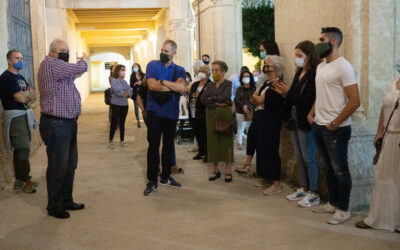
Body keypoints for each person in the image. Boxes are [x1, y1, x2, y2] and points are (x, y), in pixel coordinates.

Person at [308, 27, 360, 225]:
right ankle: (332, 202)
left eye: (321, 39)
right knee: (327, 168)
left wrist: (335, 123)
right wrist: (312, 114)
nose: (318, 43)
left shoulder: (344, 67)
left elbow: (355, 101)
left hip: (336, 128)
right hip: (320, 125)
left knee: (340, 170)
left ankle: (344, 209)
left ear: (333, 42)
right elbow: (321, 95)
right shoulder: (321, 67)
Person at [38, 39, 88, 219]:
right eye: (62, 50)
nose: (65, 53)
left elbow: (73, 74)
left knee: (70, 164)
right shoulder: (51, 64)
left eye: (67, 50)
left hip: (68, 123)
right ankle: (54, 206)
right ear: (52, 52)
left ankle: (66, 200)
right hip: (56, 124)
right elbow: (79, 69)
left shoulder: (60, 69)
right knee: (58, 166)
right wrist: (84, 59)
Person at [272, 41, 322, 207]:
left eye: (300, 56)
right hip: (294, 117)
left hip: (305, 118)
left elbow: (308, 100)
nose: (297, 59)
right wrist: (285, 93)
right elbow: (293, 95)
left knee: (309, 158)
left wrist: (288, 94)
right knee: (300, 158)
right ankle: (304, 187)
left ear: (309, 56)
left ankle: (314, 192)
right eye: (296, 56)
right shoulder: (299, 72)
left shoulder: (314, 74)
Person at [355, 64, 400, 233]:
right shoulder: (393, 82)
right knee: (383, 176)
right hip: (389, 137)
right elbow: (384, 108)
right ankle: (377, 218)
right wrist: (379, 131)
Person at [143, 40, 186, 196]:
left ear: (174, 53)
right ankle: (152, 180)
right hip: (154, 112)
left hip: (171, 113)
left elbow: (182, 87)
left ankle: (166, 177)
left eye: (166, 51)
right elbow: (152, 86)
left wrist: (162, 82)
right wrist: (171, 86)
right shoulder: (152, 66)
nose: (163, 53)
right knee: (153, 146)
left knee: (168, 146)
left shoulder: (180, 70)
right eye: (162, 50)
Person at [238, 40, 281, 175]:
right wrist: (256, 98)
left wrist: (257, 98)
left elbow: (261, 97)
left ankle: (270, 176)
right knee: (253, 137)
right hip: (259, 110)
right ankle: (253, 166)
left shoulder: (276, 78)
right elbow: (255, 95)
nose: (261, 52)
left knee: (267, 146)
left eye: (263, 49)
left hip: (268, 114)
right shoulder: (266, 77)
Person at [0, 50, 38, 193]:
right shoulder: (6, 78)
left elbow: (33, 94)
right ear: (9, 60)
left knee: (21, 149)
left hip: (24, 114)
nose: (20, 60)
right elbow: (22, 98)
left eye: (21, 58)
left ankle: (19, 181)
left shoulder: (20, 77)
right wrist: (27, 95)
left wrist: (26, 94)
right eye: (17, 58)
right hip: (15, 117)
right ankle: (26, 180)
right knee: (23, 148)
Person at [250, 55, 284, 195]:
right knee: (262, 148)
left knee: (271, 150)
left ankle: (276, 182)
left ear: (275, 67)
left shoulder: (277, 84)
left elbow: (258, 99)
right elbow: (254, 98)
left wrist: (257, 98)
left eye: (268, 64)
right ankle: (266, 177)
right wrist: (257, 98)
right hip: (261, 118)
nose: (265, 66)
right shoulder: (266, 83)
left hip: (271, 120)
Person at [201, 60, 234, 183]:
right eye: (213, 70)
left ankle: (228, 171)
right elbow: (203, 99)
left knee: (226, 141)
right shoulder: (209, 85)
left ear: (223, 71)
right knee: (213, 141)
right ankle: (215, 170)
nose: (214, 72)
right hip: (211, 115)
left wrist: (212, 99)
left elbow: (225, 97)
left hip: (224, 114)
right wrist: (216, 102)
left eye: (217, 70)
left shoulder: (228, 84)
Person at [189, 65, 212, 162]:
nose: (200, 73)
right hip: (193, 111)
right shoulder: (195, 84)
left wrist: (199, 96)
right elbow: (191, 96)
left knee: (205, 134)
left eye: (202, 71)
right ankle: (201, 151)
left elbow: (209, 99)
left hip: (204, 112)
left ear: (206, 73)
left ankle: (207, 153)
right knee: (197, 133)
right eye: (199, 71)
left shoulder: (210, 84)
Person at [108, 64, 133, 149]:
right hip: (116, 104)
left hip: (124, 104)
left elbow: (130, 90)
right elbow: (118, 92)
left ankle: (122, 140)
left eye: (124, 70)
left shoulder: (124, 81)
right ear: (118, 71)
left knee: (122, 123)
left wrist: (126, 93)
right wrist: (125, 92)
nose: (124, 72)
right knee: (114, 122)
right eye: (122, 70)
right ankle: (110, 141)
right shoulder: (114, 80)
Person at [234, 71, 256, 150]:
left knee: (251, 128)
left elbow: (255, 100)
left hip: (251, 111)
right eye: (244, 76)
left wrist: (249, 107)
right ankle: (239, 143)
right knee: (241, 127)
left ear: (251, 78)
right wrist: (243, 106)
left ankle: (251, 143)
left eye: (247, 76)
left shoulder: (254, 89)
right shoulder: (239, 89)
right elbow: (237, 99)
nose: (245, 78)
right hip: (240, 110)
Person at [229, 66, 250, 135]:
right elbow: (230, 90)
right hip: (234, 98)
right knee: (234, 114)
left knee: (245, 113)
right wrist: (232, 102)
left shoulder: (249, 77)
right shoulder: (233, 77)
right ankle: (235, 130)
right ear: (240, 73)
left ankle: (244, 129)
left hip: (244, 99)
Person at [130, 63, 145, 128]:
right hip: (135, 93)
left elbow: (146, 83)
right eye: (133, 67)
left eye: (136, 66)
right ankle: (138, 120)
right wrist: (136, 83)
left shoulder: (143, 74)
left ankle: (145, 118)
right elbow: (131, 85)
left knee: (144, 106)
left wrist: (142, 83)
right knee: (136, 107)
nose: (135, 68)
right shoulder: (132, 75)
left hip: (143, 93)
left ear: (139, 67)